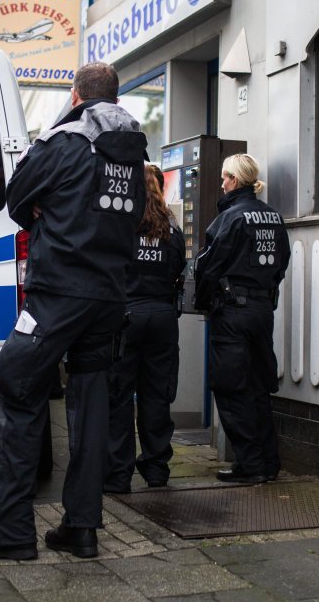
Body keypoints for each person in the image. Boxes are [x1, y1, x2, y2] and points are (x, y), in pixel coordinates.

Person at [0, 62, 148, 560]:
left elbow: (17, 199)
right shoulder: (132, 154)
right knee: (90, 408)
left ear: (75, 96)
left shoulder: (63, 141)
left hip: (58, 293)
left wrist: (46, 207)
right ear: (115, 96)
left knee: (18, 388)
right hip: (109, 297)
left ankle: (12, 532)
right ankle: (81, 528)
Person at [193, 153, 290, 483]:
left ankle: (250, 466)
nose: (221, 183)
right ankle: (269, 462)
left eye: (224, 177)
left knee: (231, 388)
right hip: (262, 312)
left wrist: (205, 303)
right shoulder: (273, 217)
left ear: (235, 180)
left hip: (232, 312)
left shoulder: (229, 218)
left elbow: (208, 268)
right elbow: (281, 264)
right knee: (258, 386)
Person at [105, 165, 186, 491]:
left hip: (125, 318)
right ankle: (156, 471)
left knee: (119, 397)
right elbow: (181, 265)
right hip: (163, 319)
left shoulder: (121, 222)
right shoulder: (171, 226)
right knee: (157, 397)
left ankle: (118, 476)